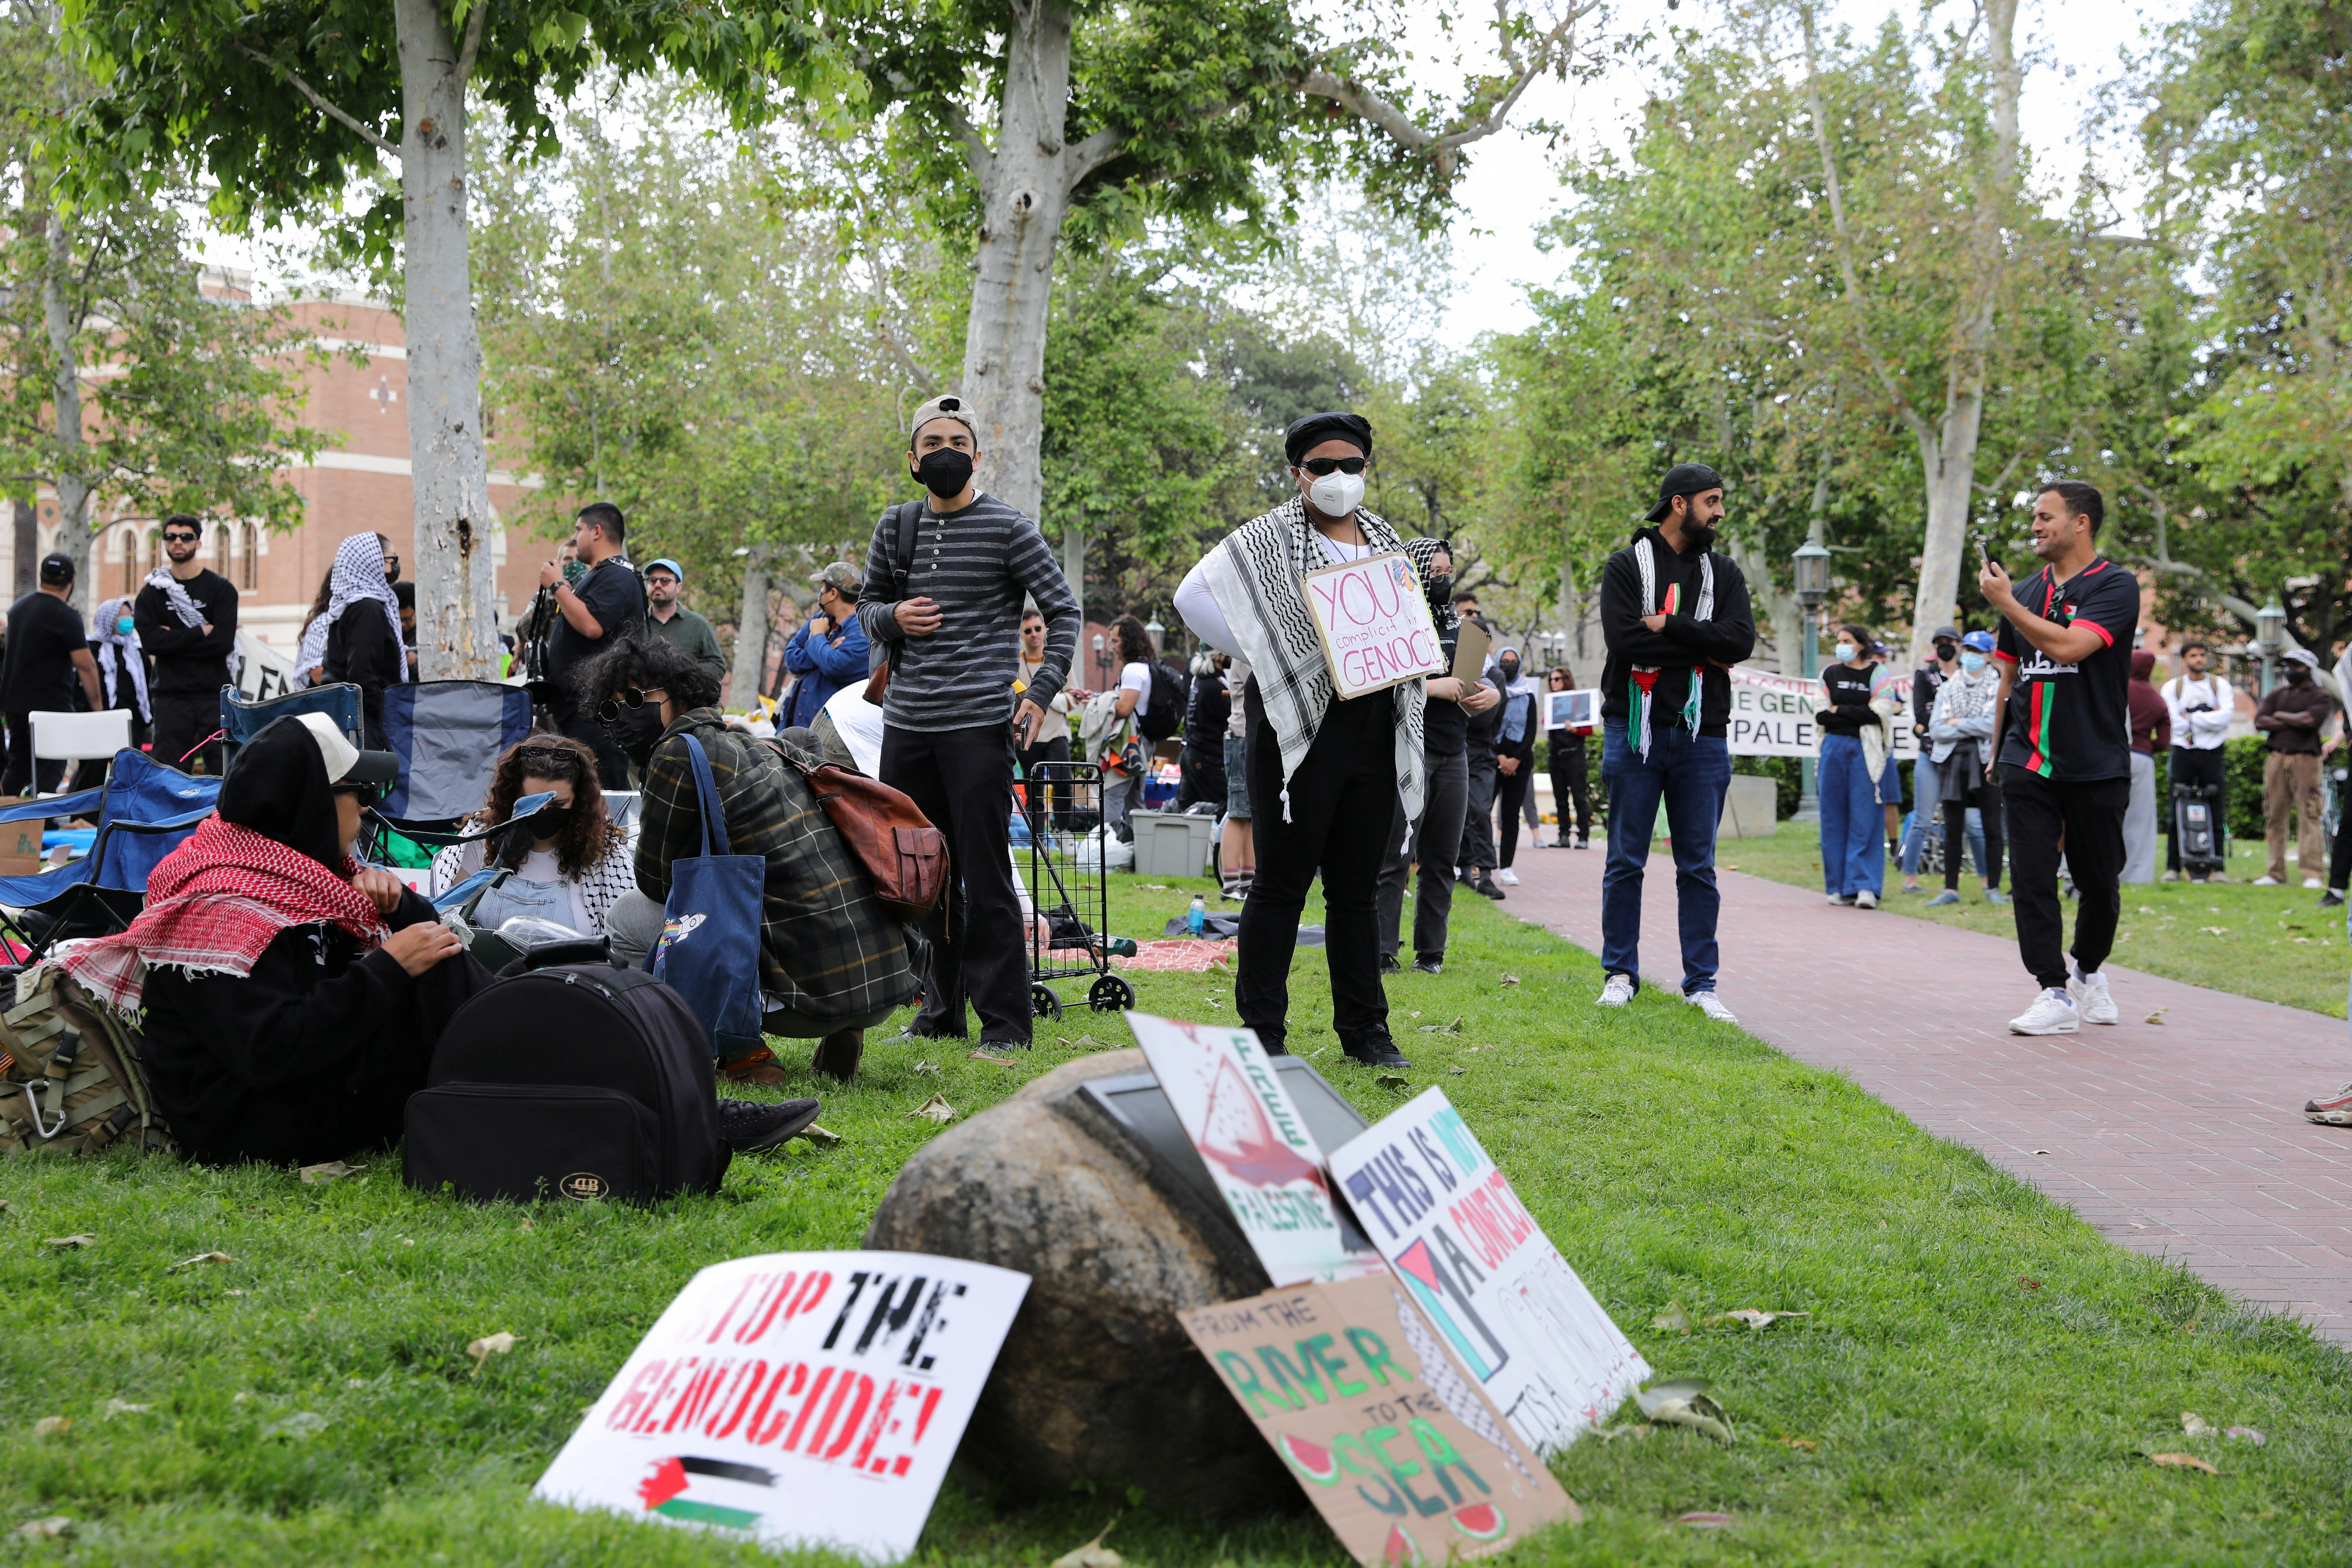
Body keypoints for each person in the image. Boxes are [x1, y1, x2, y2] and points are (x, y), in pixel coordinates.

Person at [56, 713, 489, 1166]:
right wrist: (389, 968)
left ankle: (528, 1049)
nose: (366, 808)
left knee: (437, 962)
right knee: (431, 979)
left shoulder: (305, 879)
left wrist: (401, 908)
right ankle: (529, 1069)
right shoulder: (218, 909)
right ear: (312, 803)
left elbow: (416, 949)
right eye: (359, 792)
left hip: (295, 1087)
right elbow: (270, 1052)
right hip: (243, 1122)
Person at [1175, 410, 1421, 1067]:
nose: (1338, 478)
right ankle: (1262, 1036)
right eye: (1322, 467)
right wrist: (1273, 653)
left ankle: (1366, 1032)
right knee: (1281, 885)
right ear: (1296, 473)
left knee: (1356, 891)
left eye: (1352, 466)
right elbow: (1190, 596)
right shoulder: (1265, 539)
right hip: (1294, 727)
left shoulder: (1386, 539)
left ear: (1368, 470)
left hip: (1373, 725)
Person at [587, 631, 924, 1084]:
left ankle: (745, 1054)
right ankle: (847, 1031)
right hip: (880, 983)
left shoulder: (676, 752)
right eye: (610, 710)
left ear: (679, 694)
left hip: (807, 1001)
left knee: (627, 917)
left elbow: (653, 881)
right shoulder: (758, 748)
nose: (624, 715)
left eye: (633, 698)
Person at [857, 393, 1080, 1050]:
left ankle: (1007, 1024)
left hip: (979, 727)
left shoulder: (1009, 527)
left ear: (977, 456)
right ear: (913, 460)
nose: (946, 453)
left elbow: (1063, 611)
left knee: (984, 876)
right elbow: (868, 606)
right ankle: (938, 1014)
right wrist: (894, 618)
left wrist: (1038, 693)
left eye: (958, 442)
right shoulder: (895, 526)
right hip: (907, 727)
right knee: (922, 877)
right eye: (932, 444)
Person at [1595, 463, 1756, 1022]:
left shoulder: (1725, 572)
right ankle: (1619, 973)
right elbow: (1623, 639)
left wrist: (1668, 625)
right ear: (1679, 503)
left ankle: (1702, 983)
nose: (1720, 511)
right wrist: (1702, 646)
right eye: (1712, 500)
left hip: (1702, 737)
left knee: (1699, 867)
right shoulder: (1624, 566)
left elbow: (1740, 643)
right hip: (1632, 732)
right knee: (1625, 861)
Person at [1982, 481, 2140, 1035]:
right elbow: (2008, 677)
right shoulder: (2024, 590)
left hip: (2096, 759)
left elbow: (2072, 646)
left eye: (2045, 516)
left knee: (2099, 881)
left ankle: (2089, 971)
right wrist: (1996, 749)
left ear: (2081, 523)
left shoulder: (2117, 585)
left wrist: (2004, 602)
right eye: (2034, 516)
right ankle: (2052, 990)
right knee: (2030, 874)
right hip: (2028, 759)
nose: (2035, 526)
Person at [1376, 537, 1498, 976]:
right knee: (1394, 856)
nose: (1444, 579)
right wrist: (1431, 688)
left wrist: (1492, 693)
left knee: (1442, 858)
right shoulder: (1393, 624)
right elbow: (1373, 685)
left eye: (1449, 571)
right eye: (1435, 571)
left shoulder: (1458, 627)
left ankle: (1431, 953)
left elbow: (1481, 678)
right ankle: (1383, 950)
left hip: (1454, 754)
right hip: (1409, 751)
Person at [428, 734, 637, 936]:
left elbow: (623, 936)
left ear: (580, 800)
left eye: (557, 804)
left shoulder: (605, 850)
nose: (544, 812)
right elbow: (449, 915)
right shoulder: (483, 836)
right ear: (513, 795)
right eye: (533, 803)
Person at [539, 501, 645, 790]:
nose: (574, 538)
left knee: (604, 800)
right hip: (580, 712)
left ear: (597, 531)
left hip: (597, 715)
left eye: (579, 529)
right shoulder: (600, 575)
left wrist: (557, 586)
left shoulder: (618, 576)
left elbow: (592, 625)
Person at [135, 513, 239, 775]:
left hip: (213, 694)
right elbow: (152, 643)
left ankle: (222, 819)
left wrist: (172, 638)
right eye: (171, 537)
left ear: (198, 543)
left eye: (186, 537)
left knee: (222, 769)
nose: (178, 542)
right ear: (164, 542)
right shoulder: (152, 592)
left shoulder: (221, 590)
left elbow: (222, 643)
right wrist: (198, 633)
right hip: (170, 696)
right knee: (169, 773)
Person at [1, 554, 102, 796]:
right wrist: (98, 708)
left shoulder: (18, 610)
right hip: (50, 707)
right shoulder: (66, 616)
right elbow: (85, 665)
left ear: (42, 576)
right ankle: (42, 825)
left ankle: (7, 825)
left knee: (18, 767)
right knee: (51, 769)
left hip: (15, 705)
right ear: (73, 580)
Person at [1924, 630, 2005, 906]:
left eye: (1978, 652)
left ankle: (1993, 886)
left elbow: (1994, 726)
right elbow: (1936, 730)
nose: (1972, 656)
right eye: (1968, 650)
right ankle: (1950, 889)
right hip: (1952, 763)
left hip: (1986, 763)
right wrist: (1973, 725)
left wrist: (1957, 723)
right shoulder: (1949, 686)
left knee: (1992, 827)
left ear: (1989, 655)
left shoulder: (1999, 685)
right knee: (1954, 827)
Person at [1816, 623, 1887, 909]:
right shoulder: (1829, 673)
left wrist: (1839, 711)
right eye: (1839, 641)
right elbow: (1821, 713)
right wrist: (1860, 713)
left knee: (1866, 815)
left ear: (1860, 644)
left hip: (1866, 751)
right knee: (1833, 817)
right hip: (1833, 748)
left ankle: (1865, 886)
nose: (1841, 645)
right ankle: (1838, 886)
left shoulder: (1878, 673)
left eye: (1847, 640)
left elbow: (1881, 710)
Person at [317, 533, 408, 746]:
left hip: (347, 718)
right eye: (391, 560)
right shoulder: (367, 609)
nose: (395, 566)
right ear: (372, 562)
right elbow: (362, 675)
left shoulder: (351, 605)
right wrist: (386, 715)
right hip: (362, 725)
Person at [2254, 647, 2332, 889]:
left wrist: (2280, 716)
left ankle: (2312, 872)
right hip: (2277, 757)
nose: (2290, 671)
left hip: (2306, 760)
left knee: (2309, 813)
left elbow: (2311, 721)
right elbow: (2260, 721)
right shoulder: (2278, 692)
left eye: (2295, 666)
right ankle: (2275, 872)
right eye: (2288, 665)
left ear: (2308, 669)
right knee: (2275, 814)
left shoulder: (2321, 696)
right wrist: (2294, 718)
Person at [2161, 639, 2234, 883]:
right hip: (2182, 751)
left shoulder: (2219, 685)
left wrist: (2192, 718)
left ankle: (2219, 868)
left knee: (2216, 808)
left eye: (2203, 655)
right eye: (2194, 655)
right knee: (2175, 808)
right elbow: (2174, 720)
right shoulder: (2173, 687)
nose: (2199, 660)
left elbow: (2225, 718)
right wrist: (2207, 716)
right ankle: (2173, 867)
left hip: (2212, 752)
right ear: (2185, 660)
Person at [1898, 627, 1962, 893]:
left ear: (1959, 645)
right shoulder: (1925, 677)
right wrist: (1955, 723)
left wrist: (1945, 722)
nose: (1945, 647)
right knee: (1922, 819)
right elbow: (1921, 717)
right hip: (1930, 754)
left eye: (1949, 643)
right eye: (1939, 644)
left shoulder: (1970, 677)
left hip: (1962, 757)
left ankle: (1984, 882)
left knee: (1971, 823)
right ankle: (1910, 879)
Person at [1014, 605, 1079, 831]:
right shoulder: (1015, 663)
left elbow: (1074, 699)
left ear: (1045, 630)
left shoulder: (1057, 661)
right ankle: (1038, 838)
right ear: (1021, 634)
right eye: (1028, 630)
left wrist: (1044, 696)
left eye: (1038, 628)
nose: (1034, 634)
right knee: (1034, 789)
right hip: (1027, 735)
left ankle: (1063, 833)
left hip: (1056, 734)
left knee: (1063, 782)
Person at [780, 562, 867, 729]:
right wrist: (825, 650)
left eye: (822, 589)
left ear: (833, 593)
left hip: (831, 732)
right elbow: (791, 657)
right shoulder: (820, 620)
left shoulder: (862, 630)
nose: (821, 595)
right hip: (797, 725)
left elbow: (836, 665)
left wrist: (818, 638)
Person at [1486, 647, 1539, 885]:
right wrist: (1500, 758)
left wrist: (1515, 759)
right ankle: (1480, 864)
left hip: (1520, 762)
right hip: (1492, 758)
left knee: (1511, 816)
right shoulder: (1491, 692)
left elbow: (1531, 732)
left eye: (1513, 662)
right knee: (1481, 811)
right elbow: (1487, 726)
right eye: (1504, 662)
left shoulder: (1528, 696)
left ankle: (1507, 867)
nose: (1509, 665)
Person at [1102, 615, 1158, 839]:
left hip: (1131, 743)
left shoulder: (1133, 670)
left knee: (1114, 793)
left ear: (1129, 641)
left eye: (1116, 641)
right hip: (1145, 740)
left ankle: (1105, 849)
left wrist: (1101, 704)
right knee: (1135, 798)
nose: (1112, 647)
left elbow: (1124, 708)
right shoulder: (1148, 667)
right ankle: (1138, 848)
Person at [1456, 667, 1504, 901]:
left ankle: (1485, 874)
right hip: (1455, 747)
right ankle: (1465, 871)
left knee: (1480, 810)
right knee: (1460, 812)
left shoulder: (1495, 675)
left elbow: (1484, 718)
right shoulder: (1453, 663)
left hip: (1482, 753)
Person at [87, 596, 153, 761]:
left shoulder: (137, 650)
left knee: (129, 766)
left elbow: (148, 682)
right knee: (94, 769)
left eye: (130, 615)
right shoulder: (93, 649)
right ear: (108, 618)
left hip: (132, 721)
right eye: (122, 616)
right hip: (99, 721)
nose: (128, 620)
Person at [2123, 649, 2169, 884]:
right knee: (2140, 821)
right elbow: (2164, 741)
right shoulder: (2157, 699)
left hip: (2114, 756)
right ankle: (2138, 875)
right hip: (2142, 758)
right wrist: (2146, 745)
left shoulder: (2117, 688)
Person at [645, 558, 728, 676]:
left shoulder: (699, 625)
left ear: (679, 587)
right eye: (653, 580)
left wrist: (687, 676)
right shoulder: (637, 622)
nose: (658, 585)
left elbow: (717, 667)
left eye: (665, 581)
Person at [1543, 664, 1593, 849]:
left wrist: (1575, 729)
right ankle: (1563, 835)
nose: (1553, 683)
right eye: (1551, 680)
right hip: (1555, 756)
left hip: (1574, 755)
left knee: (1579, 797)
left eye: (1557, 679)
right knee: (1560, 798)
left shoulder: (1578, 701)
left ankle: (1583, 837)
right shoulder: (1552, 702)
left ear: (1566, 680)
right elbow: (1545, 722)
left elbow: (1589, 729)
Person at [1175, 650, 1231, 813]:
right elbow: (1232, 718)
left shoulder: (1198, 682)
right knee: (1225, 807)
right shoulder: (1216, 686)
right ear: (1217, 656)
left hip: (1192, 752)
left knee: (1186, 807)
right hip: (1208, 757)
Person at [1219, 661, 1255, 898]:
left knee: (1251, 815)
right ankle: (1231, 884)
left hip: (1250, 734)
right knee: (1239, 812)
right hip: (1243, 734)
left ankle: (1249, 881)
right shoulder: (1243, 648)